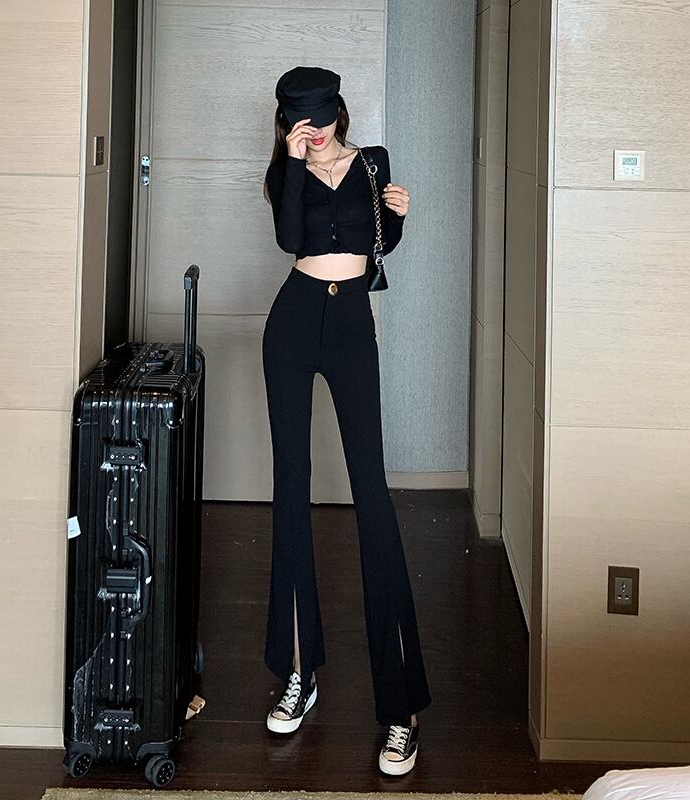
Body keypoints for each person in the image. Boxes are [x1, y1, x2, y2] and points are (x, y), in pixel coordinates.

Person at [260, 65, 433, 776]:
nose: (317, 128)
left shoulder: (373, 162)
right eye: (302, 120)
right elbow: (290, 241)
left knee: (373, 496)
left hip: (352, 327)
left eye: (324, 115)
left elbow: (380, 245)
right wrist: (294, 165)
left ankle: (401, 708)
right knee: (291, 491)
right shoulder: (284, 173)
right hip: (293, 324)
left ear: (340, 111)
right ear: (287, 122)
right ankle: (299, 672)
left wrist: (400, 214)